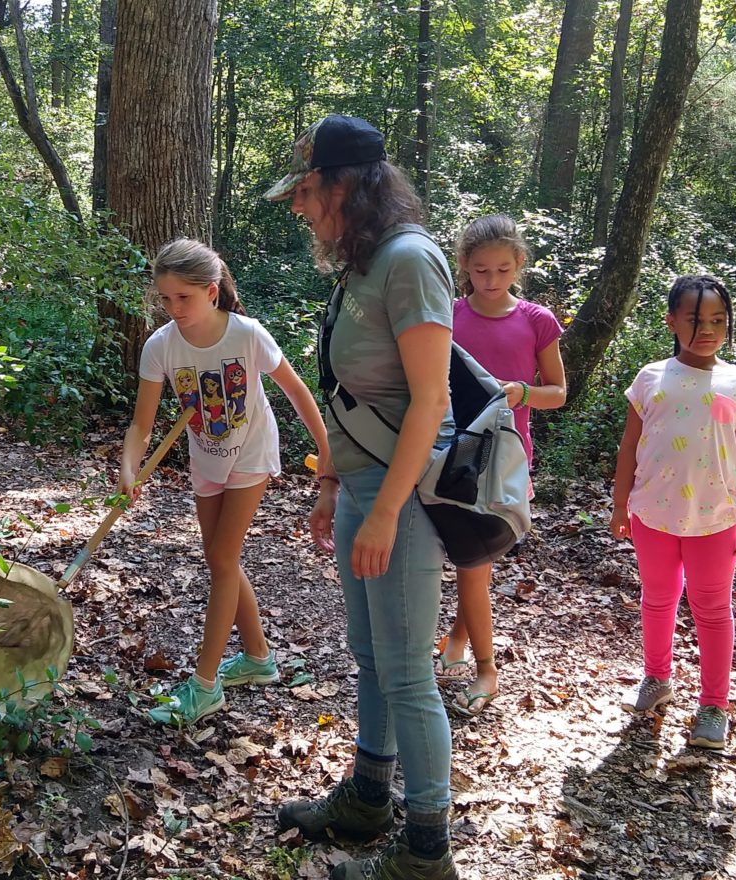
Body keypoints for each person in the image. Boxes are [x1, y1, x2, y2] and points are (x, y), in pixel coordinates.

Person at [266, 114, 457, 880]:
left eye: (307, 190)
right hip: (362, 489)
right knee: (371, 658)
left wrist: (383, 510)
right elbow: (356, 392)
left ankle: (425, 855)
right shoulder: (364, 262)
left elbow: (430, 400)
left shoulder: (412, 261)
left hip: (401, 500)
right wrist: (332, 482)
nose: (298, 205)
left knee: (407, 669)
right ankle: (369, 797)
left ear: (345, 184)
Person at [118, 238, 331, 727]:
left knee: (220, 558)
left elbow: (296, 392)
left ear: (211, 293)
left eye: (184, 298)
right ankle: (257, 658)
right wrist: (129, 467)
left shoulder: (246, 335)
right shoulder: (161, 346)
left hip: (252, 451)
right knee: (222, 559)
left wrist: (326, 451)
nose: (174, 309)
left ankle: (205, 684)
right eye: (165, 299)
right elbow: (141, 425)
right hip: (207, 456)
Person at [609, 274, 736, 750]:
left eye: (718, 320)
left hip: (715, 520)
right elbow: (630, 447)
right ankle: (657, 678)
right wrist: (620, 503)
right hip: (651, 517)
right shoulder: (651, 378)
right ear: (671, 321)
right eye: (696, 319)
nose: (708, 329)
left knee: (713, 610)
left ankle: (714, 704)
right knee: (658, 598)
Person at [435, 214, 566, 717]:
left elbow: (557, 392)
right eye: (481, 270)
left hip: (507, 460)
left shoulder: (536, 320)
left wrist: (521, 392)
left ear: (519, 265)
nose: (491, 281)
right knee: (473, 562)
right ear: (464, 266)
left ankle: (485, 668)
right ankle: (456, 644)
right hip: (448, 453)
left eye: (502, 270)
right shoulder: (447, 315)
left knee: (475, 564)